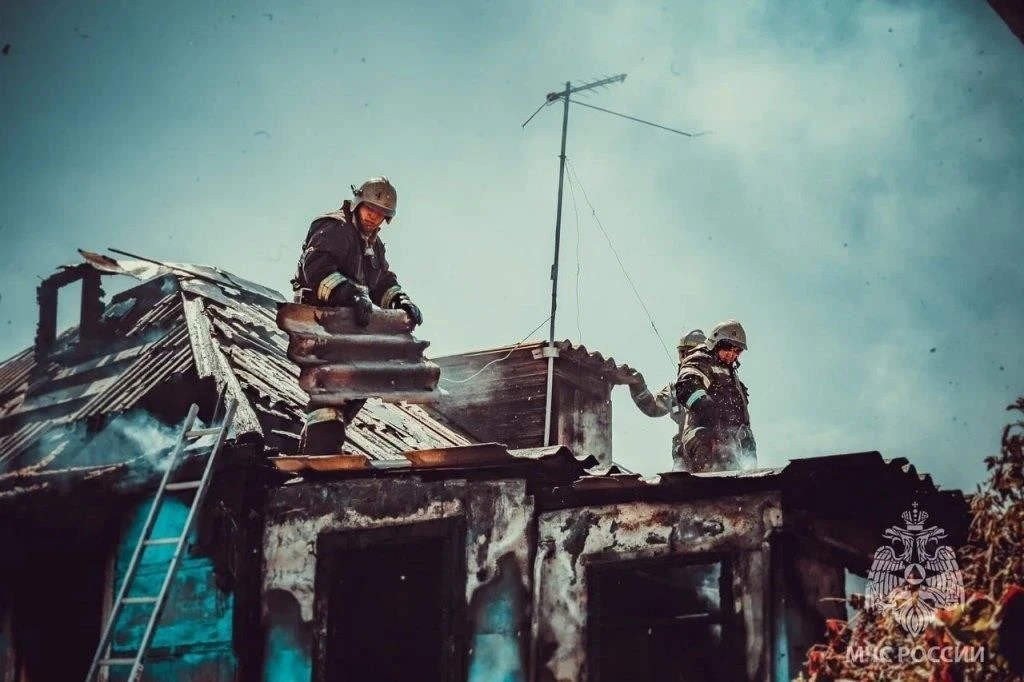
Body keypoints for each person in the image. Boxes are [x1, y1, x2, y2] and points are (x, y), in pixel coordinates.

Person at [290, 176, 423, 456]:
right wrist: (349, 294)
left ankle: (320, 445)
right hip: (320, 322)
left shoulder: (374, 245)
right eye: (370, 209)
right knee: (332, 388)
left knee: (362, 379)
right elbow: (316, 268)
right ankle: (320, 453)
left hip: (348, 327)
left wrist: (400, 300)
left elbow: (382, 282)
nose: (374, 217)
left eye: (381, 213)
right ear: (357, 204)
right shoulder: (334, 226)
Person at [673, 319, 756, 472]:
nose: (732, 354)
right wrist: (706, 408)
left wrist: (747, 442)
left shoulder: (732, 375)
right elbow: (686, 386)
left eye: (738, 351)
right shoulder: (701, 360)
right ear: (715, 342)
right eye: (728, 348)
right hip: (703, 438)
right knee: (707, 447)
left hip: (731, 445)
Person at [624, 329, 706, 471]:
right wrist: (637, 385)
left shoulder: (717, 384)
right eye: (682, 353)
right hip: (686, 463)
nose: (685, 358)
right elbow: (653, 407)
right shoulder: (676, 388)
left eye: (690, 353)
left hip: (715, 455)